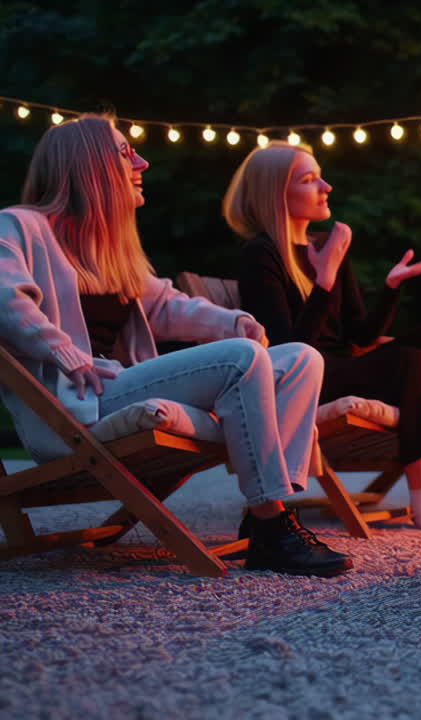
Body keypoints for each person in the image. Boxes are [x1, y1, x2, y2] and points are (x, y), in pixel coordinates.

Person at [0, 115, 350, 576]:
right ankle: (273, 527)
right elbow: (6, 298)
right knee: (242, 359)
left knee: (302, 358)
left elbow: (166, 305)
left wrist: (234, 321)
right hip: (76, 405)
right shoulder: (20, 225)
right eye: (126, 153)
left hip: (118, 384)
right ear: (89, 163)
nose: (142, 163)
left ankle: (265, 513)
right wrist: (64, 351)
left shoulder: (106, 249)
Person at [225, 142, 421, 531]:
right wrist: (325, 278)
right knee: (411, 360)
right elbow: (289, 350)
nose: (326, 187)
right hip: (308, 378)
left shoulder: (325, 246)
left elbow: (361, 333)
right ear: (276, 194)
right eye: (310, 179)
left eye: (321, 177)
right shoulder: (260, 255)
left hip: (346, 364)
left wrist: (390, 288)